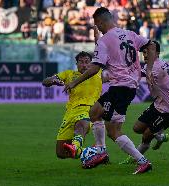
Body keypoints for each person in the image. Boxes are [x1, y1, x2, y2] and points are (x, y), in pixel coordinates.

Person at [63, 7, 157, 174]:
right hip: (129, 88)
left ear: (100, 22)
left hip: (120, 87)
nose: (97, 27)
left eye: (96, 24)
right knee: (102, 119)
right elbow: (150, 46)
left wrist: (74, 82)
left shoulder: (104, 40)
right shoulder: (129, 34)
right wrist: (148, 69)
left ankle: (123, 156)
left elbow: (94, 68)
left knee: (105, 123)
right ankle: (108, 152)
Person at [42, 51, 102, 160]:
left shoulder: (97, 72)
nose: (84, 65)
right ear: (76, 63)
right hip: (70, 113)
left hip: (88, 109)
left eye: (87, 62)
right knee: (61, 153)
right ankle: (94, 152)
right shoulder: (69, 74)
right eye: (81, 62)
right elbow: (45, 82)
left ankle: (76, 146)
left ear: (91, 63)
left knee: (81, 125)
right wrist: (53, 80)